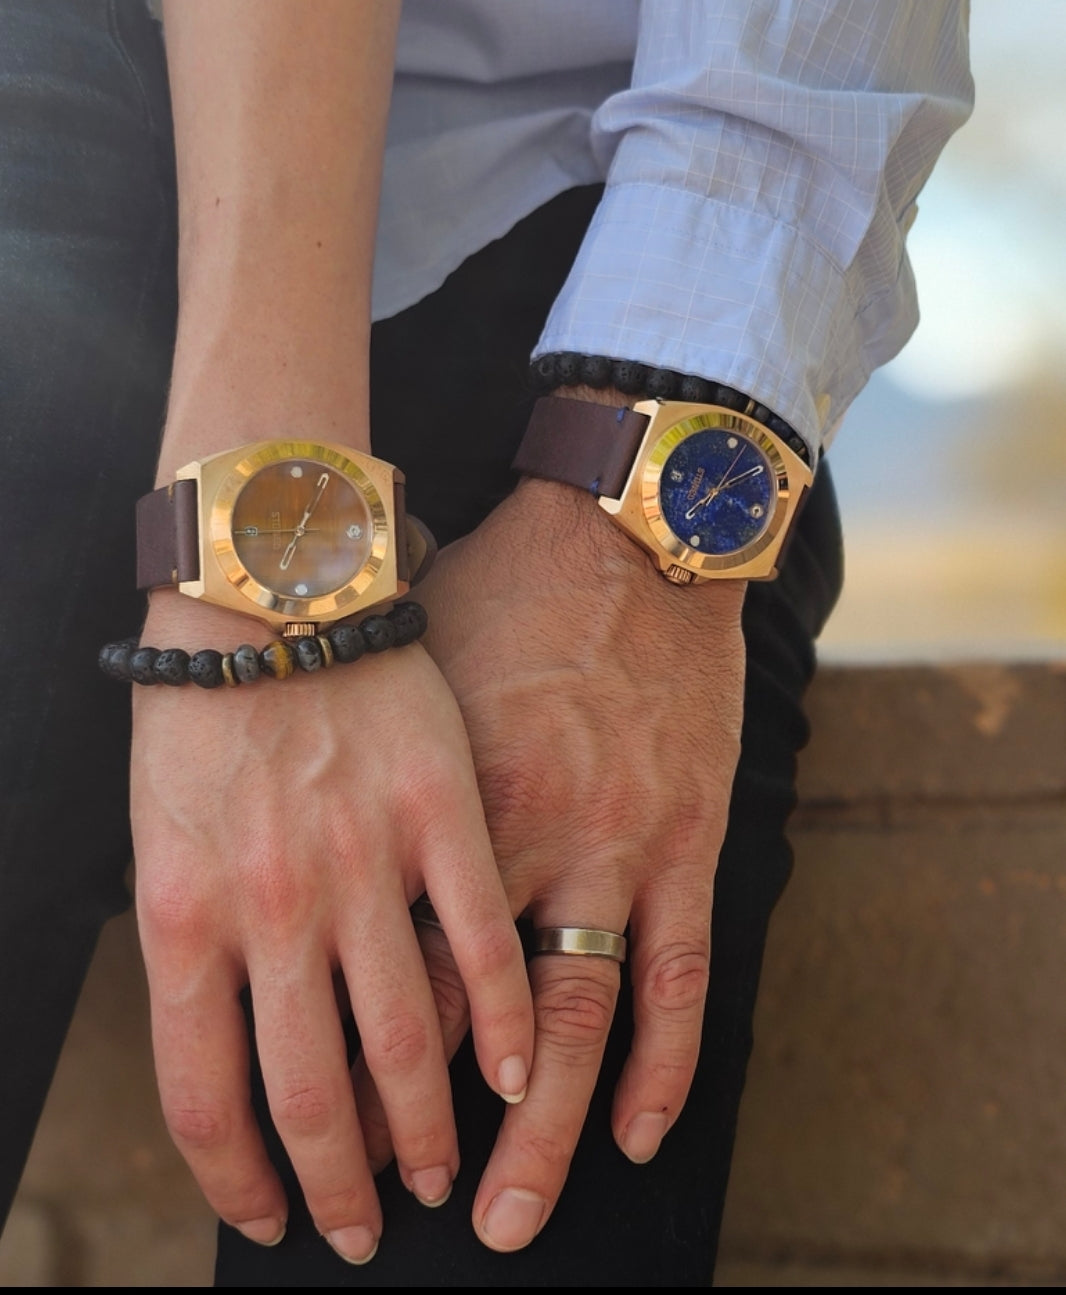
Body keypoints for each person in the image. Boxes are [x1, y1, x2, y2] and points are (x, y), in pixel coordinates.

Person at [0, 0, 973, 1285]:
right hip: (49, 154)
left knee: (486, 1144)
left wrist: (626, 530)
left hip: (574, 261)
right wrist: (284, 577)